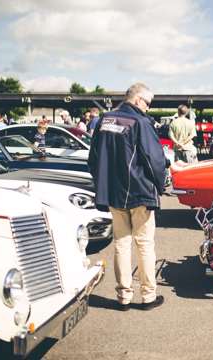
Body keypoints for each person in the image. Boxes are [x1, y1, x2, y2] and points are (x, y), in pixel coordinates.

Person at [88, 82, 166, 311]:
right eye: (148, 104)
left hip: (113, 192)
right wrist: (160, 185)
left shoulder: (104, 120)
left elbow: (93, 158)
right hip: (139, 191)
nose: (149, 109)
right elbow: (155, 160)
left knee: (121, 243)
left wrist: (103, 183)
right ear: (138, 100)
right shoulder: (141, 122)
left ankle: (123, 297)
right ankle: (148, 296)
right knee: (144, 244)